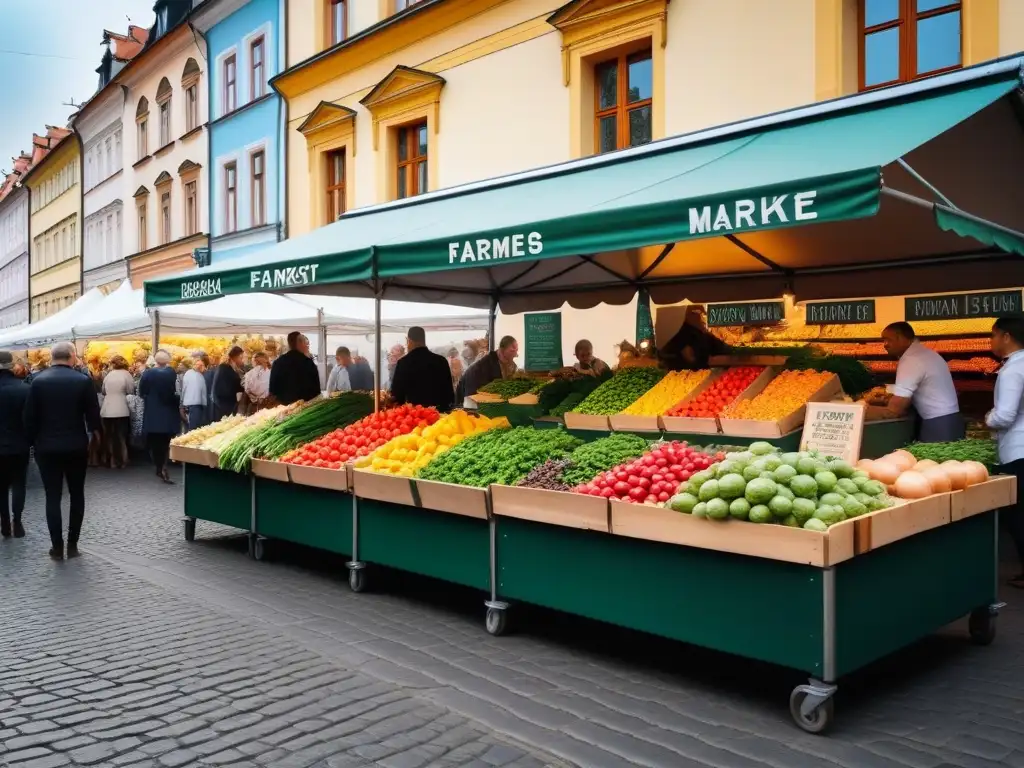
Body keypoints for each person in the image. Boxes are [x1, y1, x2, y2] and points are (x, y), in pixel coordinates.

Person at [24, 341, 101, 561]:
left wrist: (32, 442)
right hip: (76, 445)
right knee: (77, 494)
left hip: (46, 447)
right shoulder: (83, 381)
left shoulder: (38, 382)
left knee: (53, 496)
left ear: (52, 358)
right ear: (72, 356)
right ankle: (73, 545)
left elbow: (29, 417)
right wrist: (96, 438)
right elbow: (93, 417)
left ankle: (57, 547)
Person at [867, 322, 963, 442]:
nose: (885, 345)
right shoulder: (926, 353)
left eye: (888, 340)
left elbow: (895, 410)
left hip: (939, 424)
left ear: (901, 338)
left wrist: (861, 411)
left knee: (937, 460)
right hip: (950, 420)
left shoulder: (911, 360)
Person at [986, 316, 1024, 588]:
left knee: (1018, 515)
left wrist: (988, 418)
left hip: (1017, 450)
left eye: (994, 335)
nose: (992, 341)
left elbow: (1006, 415)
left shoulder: (1013, 370)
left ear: (1007, 336)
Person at [0, 351, 30, 538]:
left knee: (1, 486)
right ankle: (17, 521)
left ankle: (4, 522)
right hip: (20, 444)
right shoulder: (25, 388)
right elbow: (30, 419)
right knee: (19, 483)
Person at [139, 350, 181, 484]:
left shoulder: (147, 374)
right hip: (168, 413)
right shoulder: (172, 373)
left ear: (155, 360)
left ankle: (158, 466)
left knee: (155, 442)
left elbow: (142, 391)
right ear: (168, 360)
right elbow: (176, 391)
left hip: (152, 413)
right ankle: (163, 464)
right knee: (166, 441)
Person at [390, 327, 455, 411]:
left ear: (409, 341)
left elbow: (397, 395)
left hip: (414, 416)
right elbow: (449, 394)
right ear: (423, 340)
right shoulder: (441, 361)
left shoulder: (403, 363)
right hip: (439, 415)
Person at [458, 336, 519, 400]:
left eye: (516, 350)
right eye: (512, 351)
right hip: (471, 401)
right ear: (501, 351)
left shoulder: (507, 364)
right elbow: (473, 397)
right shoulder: (481, 368)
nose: (516, 355)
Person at [101, 355, 135, 469]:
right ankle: (124, 460)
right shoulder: (127, 374)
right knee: (121, 436)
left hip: (107, 409)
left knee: (109, 436)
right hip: (122, 408)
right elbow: (131, 391)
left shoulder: (108, 375)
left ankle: (112, 462)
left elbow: (103, 391)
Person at [269, 332, 320, 405]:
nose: (306, 346)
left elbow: (273, 390)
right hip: (306, 408)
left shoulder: (278, 362)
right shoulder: (309, 363)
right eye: (305, 343)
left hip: (284, 408)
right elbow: (316, 391)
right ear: (300, 343)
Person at [212, 346, 246, 419]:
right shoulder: (225, 368)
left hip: (225, 403)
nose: (242, 361)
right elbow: (233, 384)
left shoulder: (227, 367)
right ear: (235, 357)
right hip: (224, 405)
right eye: (241, 358)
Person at [180, 357, 209, 431]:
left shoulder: (191, 374)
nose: (203, 368)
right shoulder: (196, 375)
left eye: (202, 365)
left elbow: (184, 389)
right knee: (194, 428)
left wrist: (182, 404)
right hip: (195, 404)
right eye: (200, 365)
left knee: (191, 426)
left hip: (191, 404)